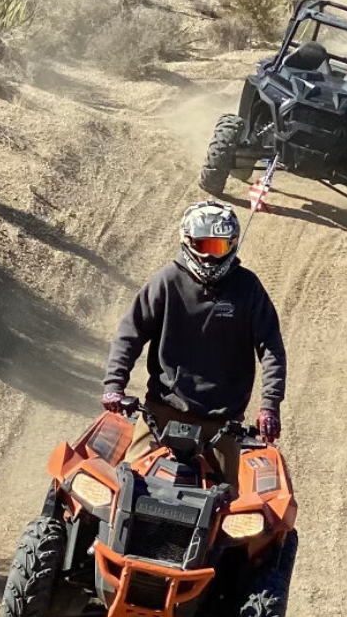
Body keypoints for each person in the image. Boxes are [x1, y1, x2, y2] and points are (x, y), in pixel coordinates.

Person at [101, 201, 286, 485]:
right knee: (126, 483)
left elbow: (271, 348)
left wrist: (269, 406)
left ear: (233, 245)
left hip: (222, 423)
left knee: (229, 510)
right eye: (204, 245)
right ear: (187, 242)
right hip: (161, 411)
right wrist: (114, 385)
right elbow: (131, 332)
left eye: (219, 247)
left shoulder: (248, 288)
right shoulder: (167, 281)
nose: (211, 257)